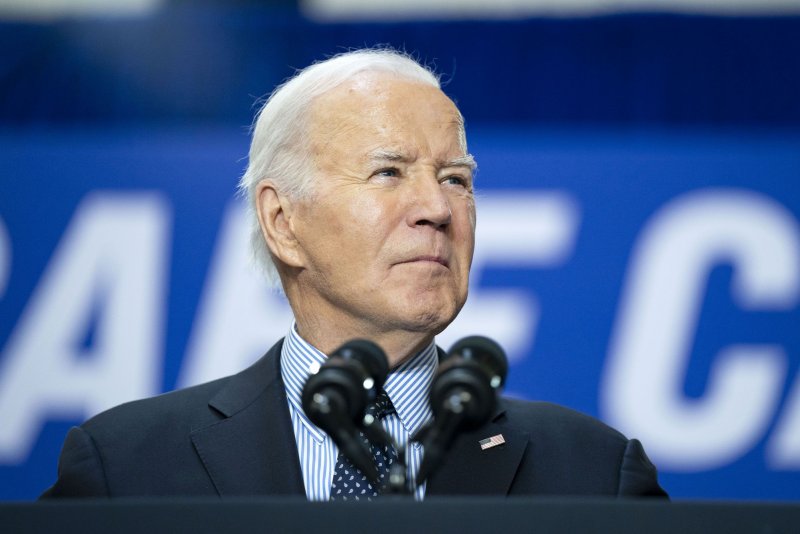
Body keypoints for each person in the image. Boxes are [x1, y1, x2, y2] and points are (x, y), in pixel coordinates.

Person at [42, 48, 667, 499]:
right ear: (283, 221)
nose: (437, 209)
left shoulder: (593, 475)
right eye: (389, 173)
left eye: (456, 178)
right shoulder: (126, 470)